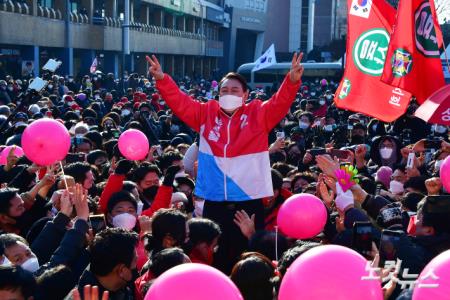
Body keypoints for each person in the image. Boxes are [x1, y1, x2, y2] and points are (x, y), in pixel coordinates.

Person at [146, 53, 304, 272]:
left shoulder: (258, 113)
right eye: (224, 90)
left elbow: (280, 102)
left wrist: (292, 81)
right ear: (218, 94)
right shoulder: (205, 113)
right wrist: (163, 79)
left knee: (250, 258)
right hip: (214, 199)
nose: (229, 94)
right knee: (215, 257)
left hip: (248, 199)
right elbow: (180, 103)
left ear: (246, 94)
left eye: (235, 90)